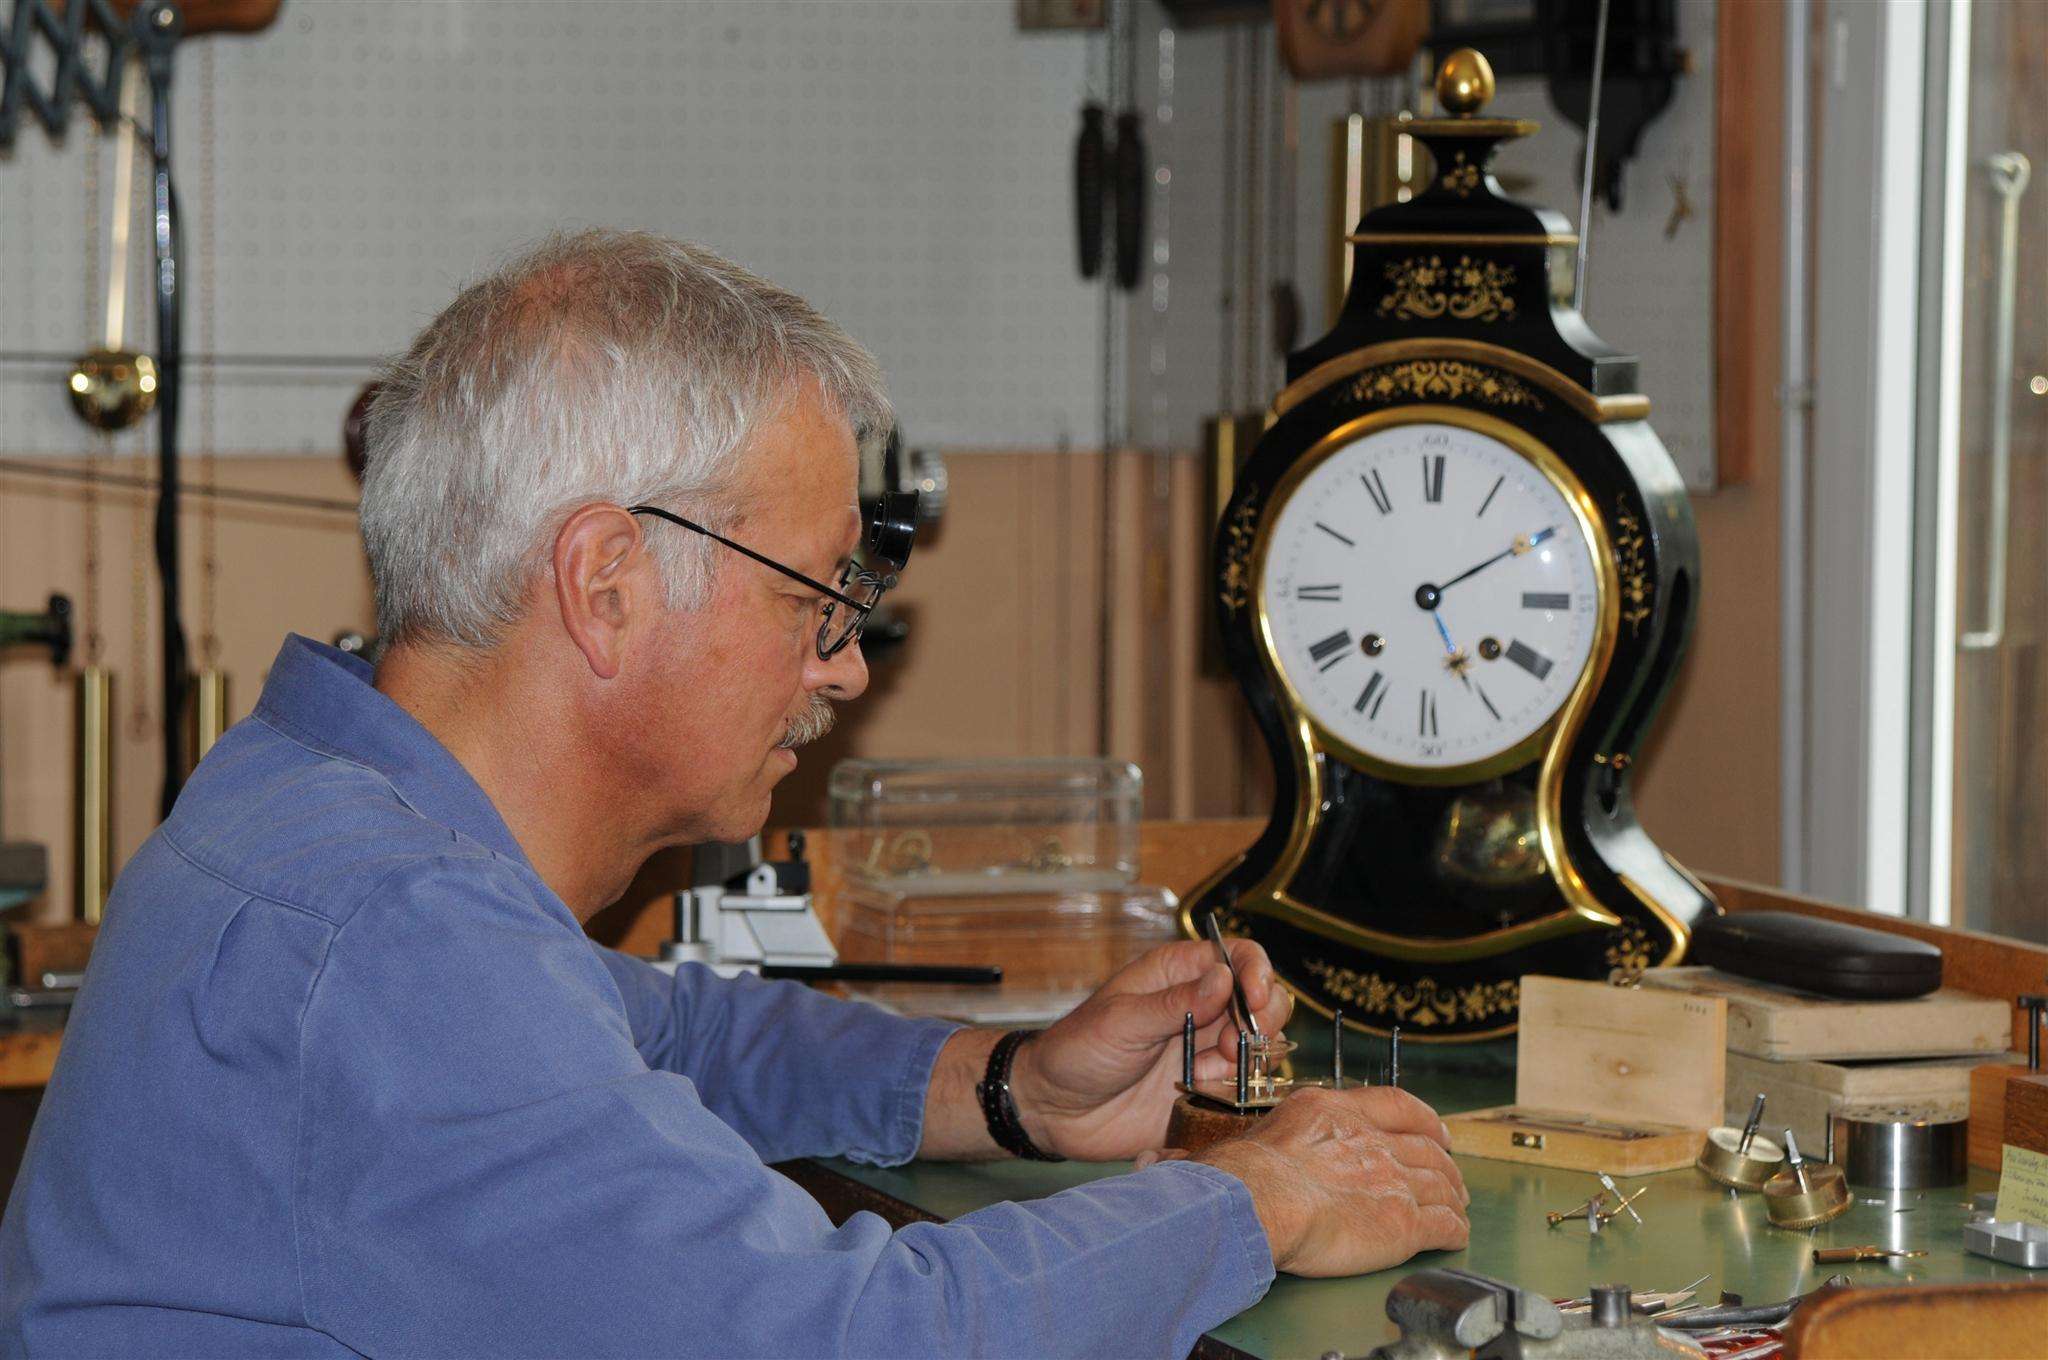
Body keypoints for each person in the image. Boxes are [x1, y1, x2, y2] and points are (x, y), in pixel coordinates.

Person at [0, 231, 1468, 1358]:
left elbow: (671, 1031)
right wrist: (1260, 1199)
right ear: (607, 584)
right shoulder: (391, 937)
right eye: (815, 595)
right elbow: (860, 1340)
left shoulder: (316, 802)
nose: (845, 665)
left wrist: (1014, 1086)